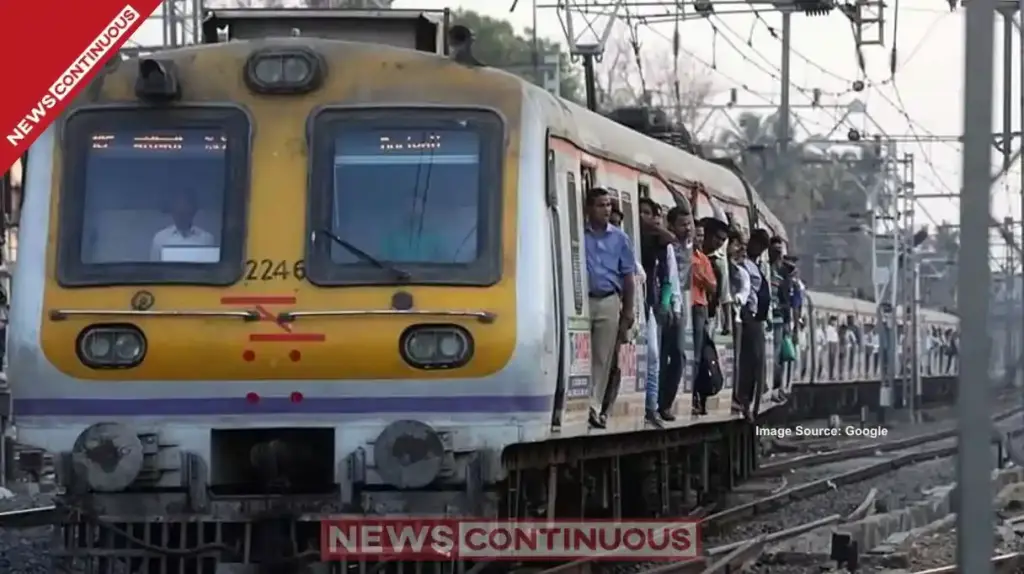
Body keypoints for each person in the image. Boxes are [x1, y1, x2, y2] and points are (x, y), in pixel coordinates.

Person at [583, 188, 636, 429]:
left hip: (608, 300)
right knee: (582, 355)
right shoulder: (579, 235)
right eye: (600, 205)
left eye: (608, 205)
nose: (606, 210)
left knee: (602, 356)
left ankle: (592, 407)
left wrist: (628, 309)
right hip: (582, 299)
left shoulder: (620, 239)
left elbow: (628, 277)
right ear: (588, 209)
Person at [638, 199, 681, 427]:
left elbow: (666, 277)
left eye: (647, 212)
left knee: (653, 355)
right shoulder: (630, 239)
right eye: (640, 212)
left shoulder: (661, 244)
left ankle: (651, 406)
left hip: (651, 303)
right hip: (635, 303)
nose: (643, 217)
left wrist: (665, 302)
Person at [659, 204, 694, 421]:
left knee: (679, 355)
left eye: (689, 224)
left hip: (681, 304)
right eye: (683, 225)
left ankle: (666, 402)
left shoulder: (689, 245)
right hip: (669, 303)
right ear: (671, 225)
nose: (688, 228)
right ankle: (659, 402)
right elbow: (668, 276)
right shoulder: (669, 246)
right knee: (664, 354)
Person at [734, 229, 771, 419]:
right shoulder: (743, 264)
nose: (759, 249)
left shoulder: (758, 266)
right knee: (750, 360)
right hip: (748, 316)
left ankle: (751, 401)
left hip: (757, 317)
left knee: (756, 361)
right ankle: (744, 400)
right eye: (758, 245)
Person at [690, 220, 718, 415]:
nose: (698, 239)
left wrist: (699, 275)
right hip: (684, 305)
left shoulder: (703, 259)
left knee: (697, 354)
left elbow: (712, 286)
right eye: (696, 235)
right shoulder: (680, 254)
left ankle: (696, 394)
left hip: (699, 307)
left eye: (701, 235)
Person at [150, 191, 216, 261]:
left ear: (193, 212)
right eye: (179, 213)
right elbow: (154, 267)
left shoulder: (206, 238)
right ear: (173, 213)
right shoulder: (160, 238)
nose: (181, 218)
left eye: (185, 212)